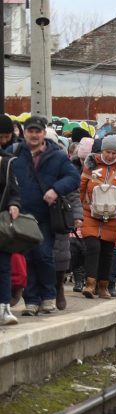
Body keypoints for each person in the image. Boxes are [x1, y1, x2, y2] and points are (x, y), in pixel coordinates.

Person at [8, 115, 80, 315]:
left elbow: (73, 177)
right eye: (30, 131)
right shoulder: (14, 153)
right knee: (27, 257)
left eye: (37, 131)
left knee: (44, 255)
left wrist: (56, 189)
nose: (33, 135)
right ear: (24, 133)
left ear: (43, 133)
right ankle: (31, 300)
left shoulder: (56, 155)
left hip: (45, 216)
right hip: (20, 215)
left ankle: (48, 297)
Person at [80, 135, 116, 299]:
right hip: (89, 213)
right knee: (93, 246)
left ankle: (103, 286)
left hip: (113, 217)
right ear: (102, 150)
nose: (111, 156)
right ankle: (90, 284)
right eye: (108, 152)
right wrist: (76, 214)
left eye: (114, 153)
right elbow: (80, 189)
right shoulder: (90, 165)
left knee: (107, 251)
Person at [0, 138, 23, 324]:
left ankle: (4, 308)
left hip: (1, 222)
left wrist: (14, 204)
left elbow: (14, 191)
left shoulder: (6, 162)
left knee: (4, 265)